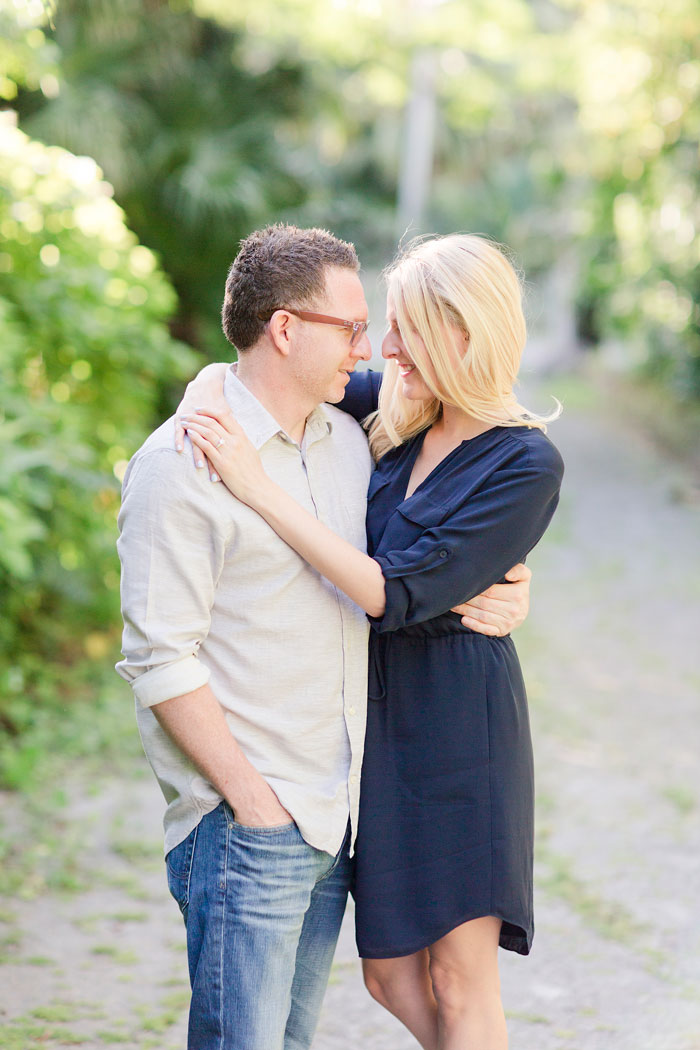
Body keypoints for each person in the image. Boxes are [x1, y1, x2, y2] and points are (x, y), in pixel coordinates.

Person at [116, 223, 530, 1050]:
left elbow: (411, 561)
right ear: (285, 328)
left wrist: (509, 579)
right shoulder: (192, 462)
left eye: (383, 325)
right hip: (258, 815)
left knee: (314, 1033)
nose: (371, 345)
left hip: (352, 800)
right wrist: (255, 803)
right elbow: (159, 659)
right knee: (283, 1026)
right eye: (353, 326)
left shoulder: (354, 440)